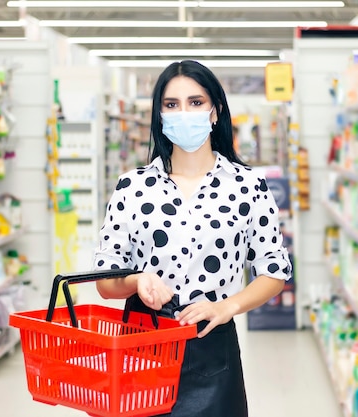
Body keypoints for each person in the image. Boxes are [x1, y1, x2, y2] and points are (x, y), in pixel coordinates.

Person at [93, 60, 292, 417]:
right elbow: (106, 282)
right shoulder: (132, 187)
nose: (184, 113)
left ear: (215, 111)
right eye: (172, 105)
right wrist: (138, 281)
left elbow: (274, 271)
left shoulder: (248, 186)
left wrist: (227, 306)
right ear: (159, 115)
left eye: (196, 102)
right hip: (144, 345)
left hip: (212, 344)